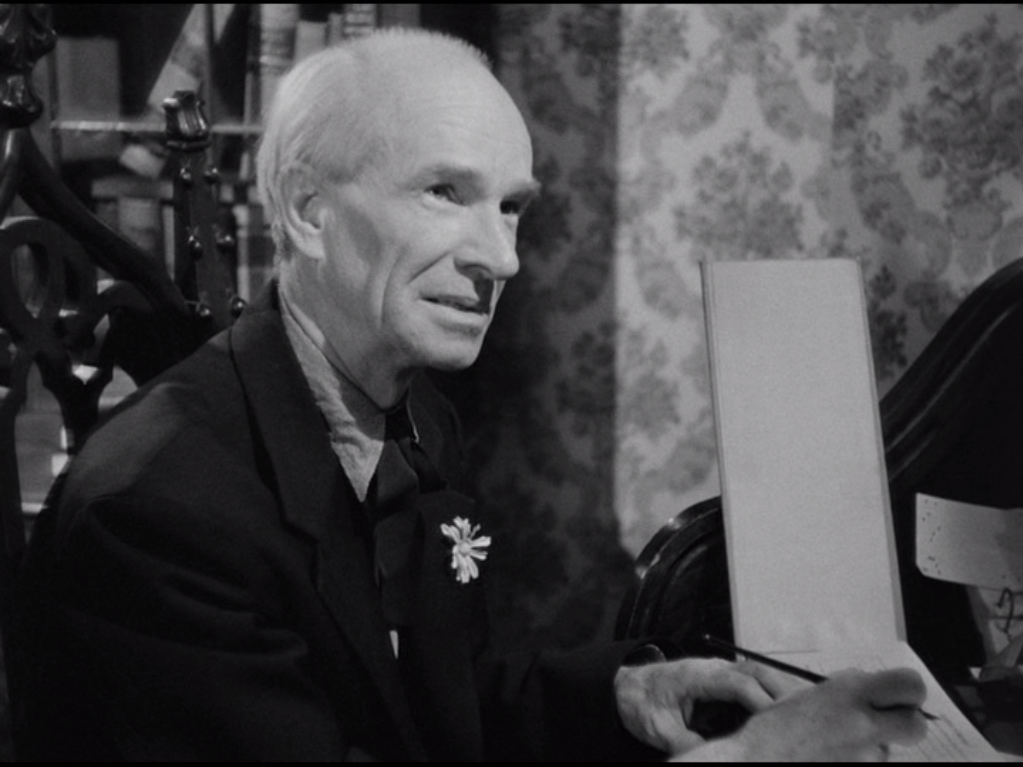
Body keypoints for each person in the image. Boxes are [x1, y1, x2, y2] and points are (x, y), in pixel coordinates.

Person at [16, 28, 928, 762]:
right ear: (305, 210)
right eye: (444, 192)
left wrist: (621, 691)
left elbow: (436, 710)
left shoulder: (415, 413)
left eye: (510, 206)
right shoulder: (160, 507)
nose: (501, 257)